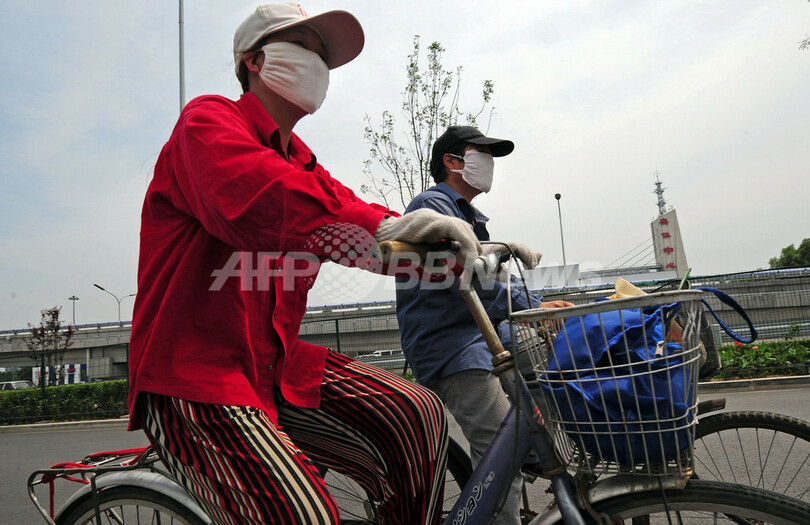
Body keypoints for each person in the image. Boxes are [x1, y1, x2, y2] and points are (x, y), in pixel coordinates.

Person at [127, 4, 483, 524]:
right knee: (306, 516)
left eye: (325, 55)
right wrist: (388, 228)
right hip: (194, 375)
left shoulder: (303, 160)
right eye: (305, 47)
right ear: (254, 60)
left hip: (275, 365)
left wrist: (460, 257)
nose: (319, 63)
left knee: (418, 415)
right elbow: (262, 202)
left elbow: (359, 234)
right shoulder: (206, 122)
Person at [395, 125, 573, 525]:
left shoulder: (468, 217)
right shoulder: (433, 206)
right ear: (453, 161)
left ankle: (535, 445)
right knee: (499, 452)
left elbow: (488, 279)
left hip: (481, 336)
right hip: (451, 346)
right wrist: (534, 307)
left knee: (564, 352)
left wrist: (542, 314)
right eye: (482, 154)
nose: (489, 164)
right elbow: (470, 278)